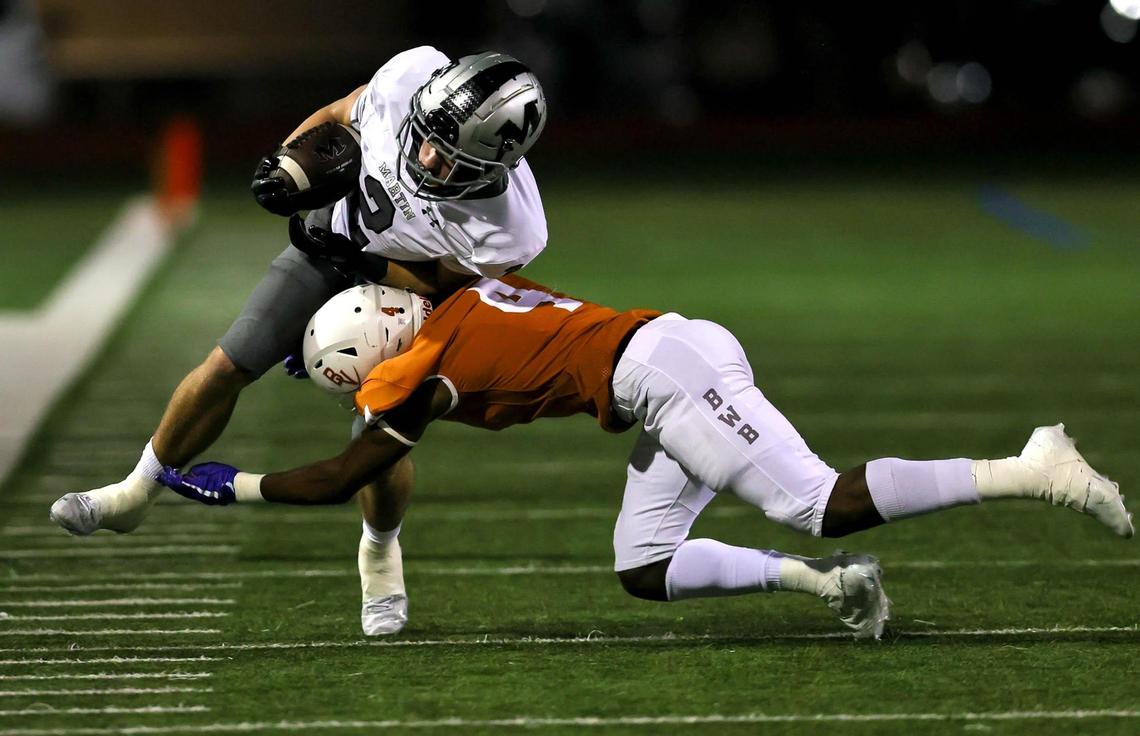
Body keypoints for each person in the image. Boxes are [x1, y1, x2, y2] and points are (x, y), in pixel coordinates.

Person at [157, 276, 1134, 639]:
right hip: (663, 360)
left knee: (816, 499)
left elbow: (345, 475)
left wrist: (232, 484)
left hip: (666, 375)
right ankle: (832, 588)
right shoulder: (450, 292)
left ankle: (1034, 466)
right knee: (644, 565)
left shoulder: (431, 371)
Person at [50, 47, 550, 636]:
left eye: (446, 155)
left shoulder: (511, 228)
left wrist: (362, 269)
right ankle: (136, 492)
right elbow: (338, 113)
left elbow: (446, 283)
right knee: (229, 361)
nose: (424, 154)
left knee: (380, 423)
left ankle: (380, 549)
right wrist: (291, 160)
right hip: (327, 240)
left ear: (494, 163)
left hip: (409, 286)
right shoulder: (412, 77)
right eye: (425, 134)